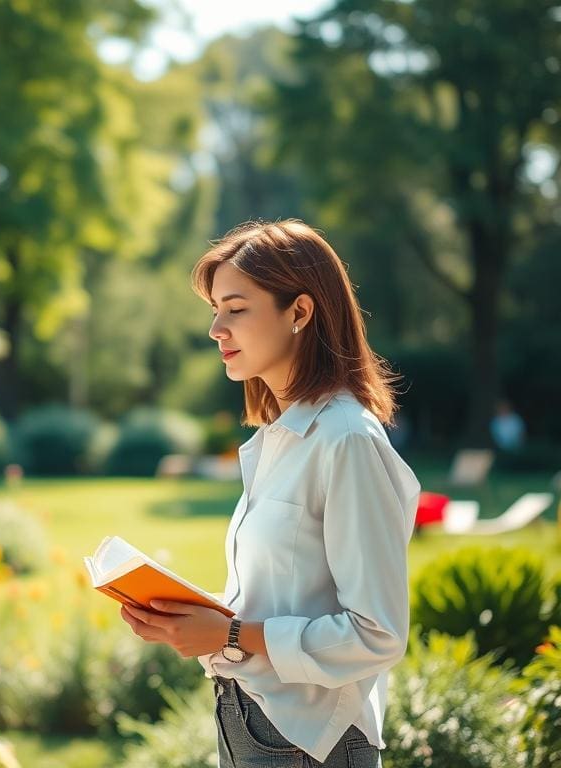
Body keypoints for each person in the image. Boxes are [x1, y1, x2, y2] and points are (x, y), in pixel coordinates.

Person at [119, 220, 420, 767]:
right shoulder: (279, 439)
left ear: (299, 311)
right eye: (216, 309)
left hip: (312, 743)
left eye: (236, 308)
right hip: (252, 722)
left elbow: (377, 635)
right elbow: (290, 594)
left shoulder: (346, 440)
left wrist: (231, 633)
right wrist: (194, 621)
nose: (216, 328)